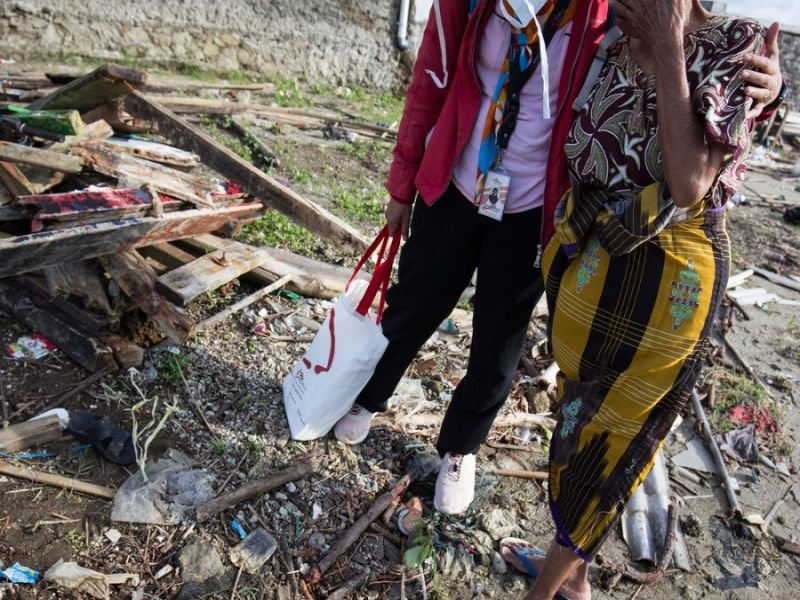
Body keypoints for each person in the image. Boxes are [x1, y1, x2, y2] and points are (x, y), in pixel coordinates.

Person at [333, 0, 785, 516]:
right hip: (456, 183)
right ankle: (368, 397)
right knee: (414, 302)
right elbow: (427, 86)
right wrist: (402, 181)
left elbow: (684, 51)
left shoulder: (604, 14)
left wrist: (772, 93)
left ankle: (460, 449)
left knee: (499, 340)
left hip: (532, 206)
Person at [496, 1, 775, 598]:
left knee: (614, 445)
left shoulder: (735, 44)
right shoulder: (612, 42)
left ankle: (544, 590)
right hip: (593, 269)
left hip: (666, 283)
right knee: (575, 425)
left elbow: (690, 182)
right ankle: (576, 576)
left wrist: (671, 48)